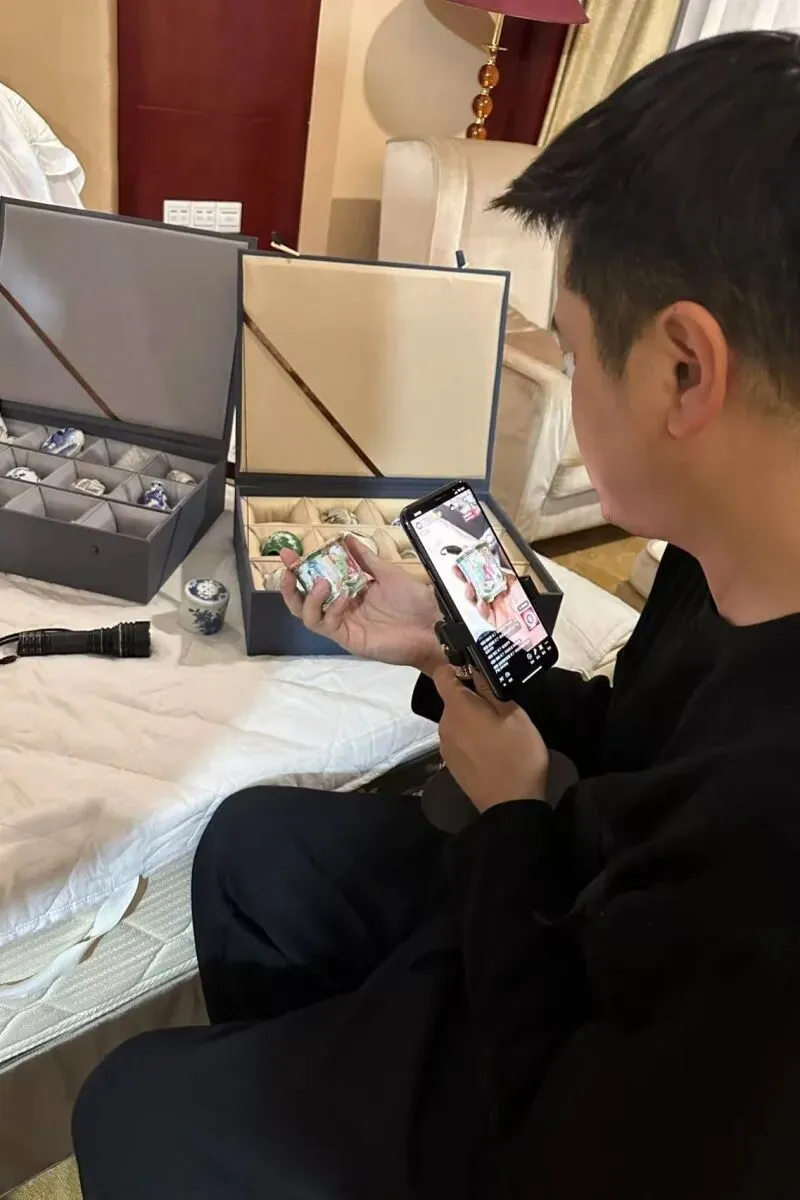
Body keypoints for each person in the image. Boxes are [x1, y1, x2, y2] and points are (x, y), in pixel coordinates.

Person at [73, 30, 800, 1199]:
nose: (564, 379)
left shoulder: (764, 847)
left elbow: (569, 1147)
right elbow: (636, 739)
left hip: (560, 1076)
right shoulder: (725, 557)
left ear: (683, 371)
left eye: (571, 352)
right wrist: (440, 642)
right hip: (565, 896)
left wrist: (509, 814)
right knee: (251, 850)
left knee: (131, 1108)